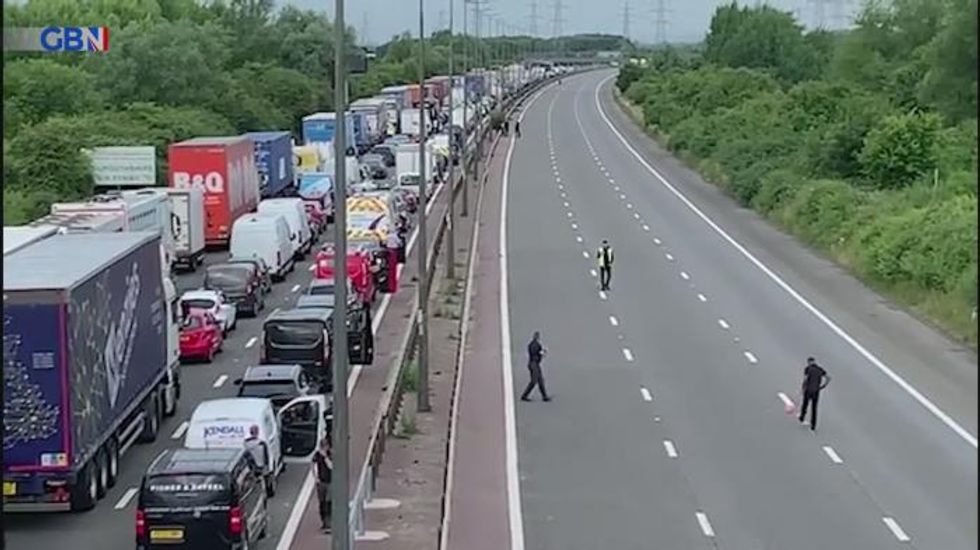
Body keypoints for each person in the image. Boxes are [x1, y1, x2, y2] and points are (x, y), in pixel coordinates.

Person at [798, 357, 831, 431]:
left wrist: (803, 388)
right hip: (816, 391)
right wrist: (823, 386)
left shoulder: (807, 369)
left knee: (805, 404)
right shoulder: (820, 369)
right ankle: (813, 425)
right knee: (814, 408)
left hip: (808, 390)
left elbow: (805, 379)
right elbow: (828, 378)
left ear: (809, 362)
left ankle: (802, 417)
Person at [521, 331, 550, 402]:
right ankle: (524, 395)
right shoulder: (536, 345)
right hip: (534, 364)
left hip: (533, 364)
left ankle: (544, 396)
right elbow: (536, 354)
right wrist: (543, 353)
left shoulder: (532, 344)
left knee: (540, 380)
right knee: (534, 381)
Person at [313, 438, 333, 532]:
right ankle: (324, 522)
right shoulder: (317, 455)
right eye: (323, 446)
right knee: (322, 503)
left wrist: (325, 458)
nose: (324, 448)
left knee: (328, 502)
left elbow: (331, 466)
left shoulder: (330, 454)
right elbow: (313, 464)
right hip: (321, 482)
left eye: (325, 446)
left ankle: (329, 523)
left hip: (329, 482)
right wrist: (315, 477)